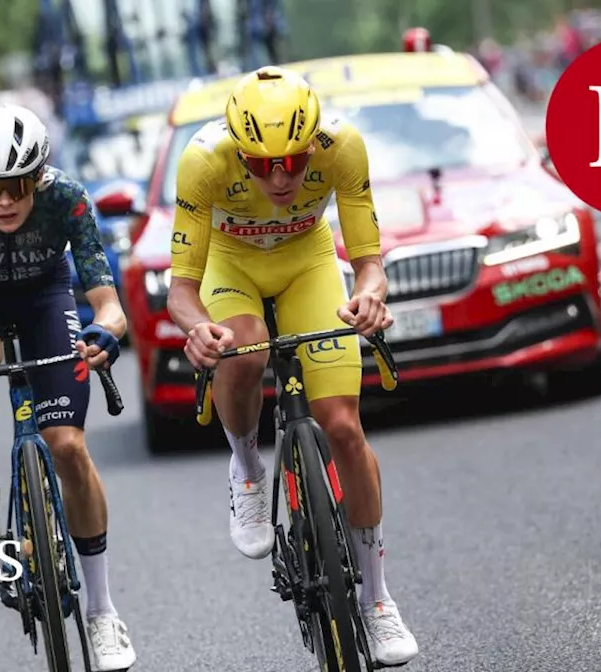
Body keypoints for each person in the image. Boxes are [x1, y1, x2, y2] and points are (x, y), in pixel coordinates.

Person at [164, 66, 419, 666]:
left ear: (313, 145)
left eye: (294, 161)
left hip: (308, 263)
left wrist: (371, 294)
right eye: (259, 164)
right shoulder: (204, 161)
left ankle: (378, 602)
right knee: (243, 346)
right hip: (233, 268)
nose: (279, 178)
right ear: (239, 150)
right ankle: (249, 469)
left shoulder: (343, 147)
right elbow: (181, 291)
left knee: (344, 426)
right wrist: (198, 328)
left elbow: (368, 261)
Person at [0, 104, 137, 671]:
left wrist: (103, 334)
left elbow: (108, 305)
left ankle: (103, 610)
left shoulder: (68, 199)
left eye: (17, 184)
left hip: (46, 297)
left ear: (38, 177)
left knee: (68, 447)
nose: (5, 200)